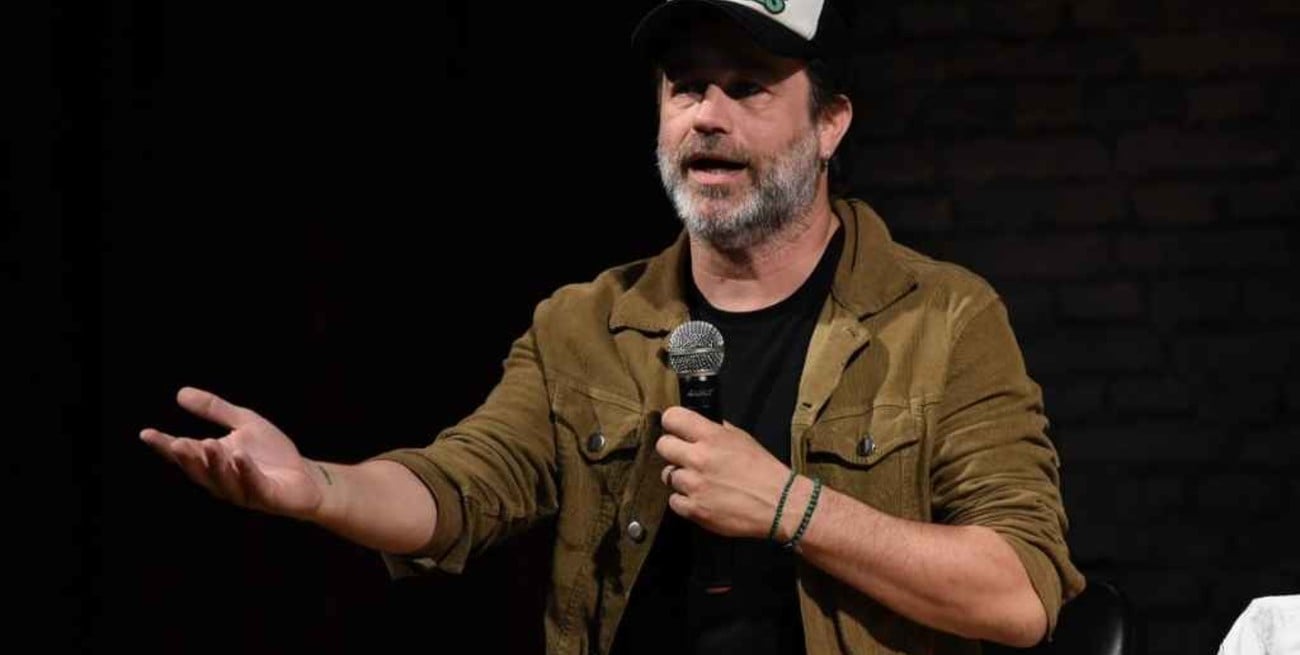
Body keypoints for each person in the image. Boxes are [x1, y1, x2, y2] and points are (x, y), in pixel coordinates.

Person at [140, 1, 1085, 653]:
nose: (707, 117)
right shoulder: (585, 326)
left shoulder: (944, 318)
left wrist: (789, 507)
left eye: (748, 87)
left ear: (831, 123)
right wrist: (317, 486)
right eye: (686, 86)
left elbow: (1018, 594)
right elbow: (459, 487)